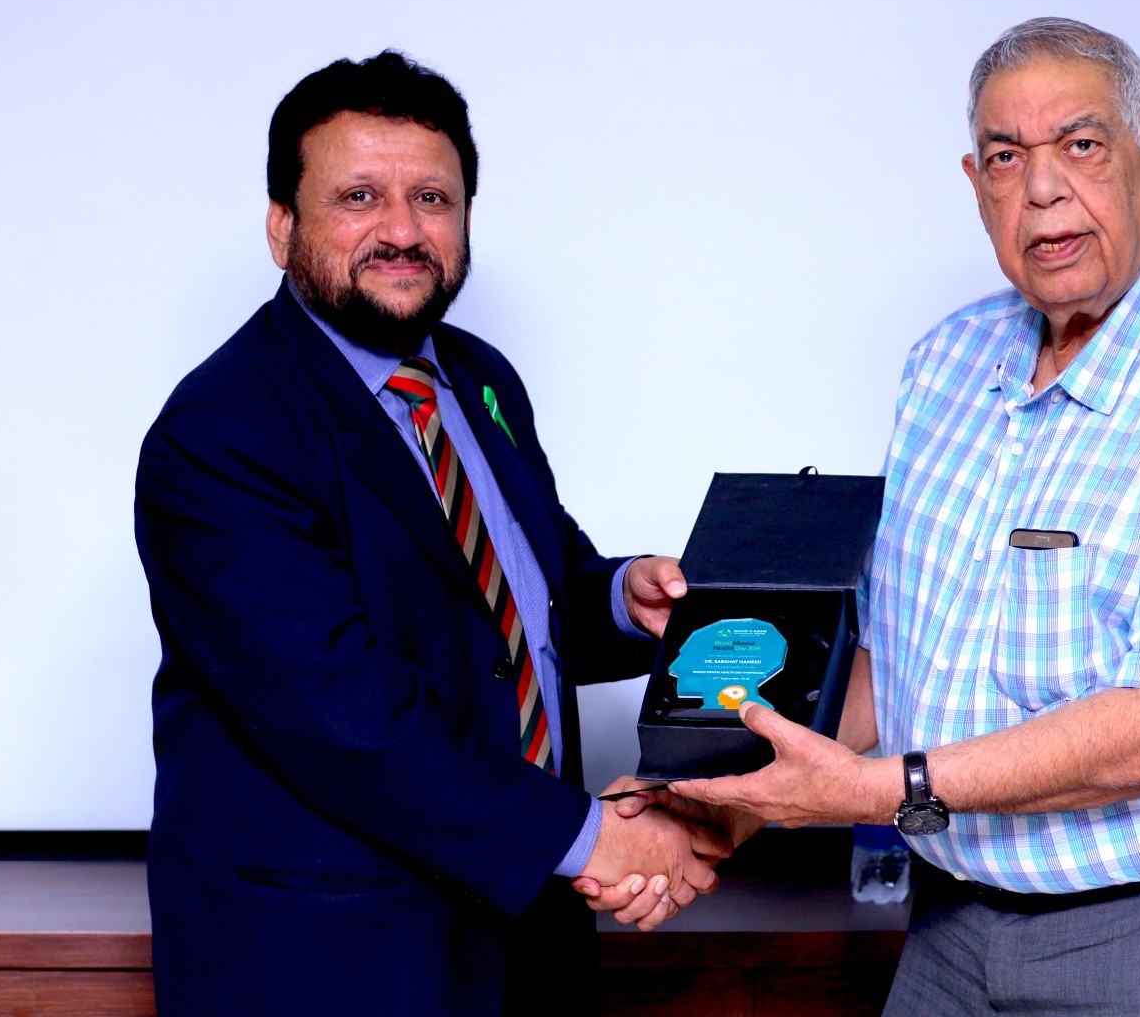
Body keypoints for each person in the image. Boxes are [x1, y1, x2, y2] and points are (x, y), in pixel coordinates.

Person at [653, 18, 1140, 1014]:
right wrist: (719, 793)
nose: (1043, 188)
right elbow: (891, 661)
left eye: (1080, 145)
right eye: (1007, 157)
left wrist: (871, 792)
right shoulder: (946, 364)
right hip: (956, 915)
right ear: (977, 184)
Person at [134, 50, 724, 1017]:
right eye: (359, 197)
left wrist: (622, 598)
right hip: (330, 960)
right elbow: (340, 711)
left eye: (433, 199)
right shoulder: (224, 430)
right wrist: (595, 838)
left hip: (518, 927)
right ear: (282, 227)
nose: (403, 231)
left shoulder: (479, 379)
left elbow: (501, 605)